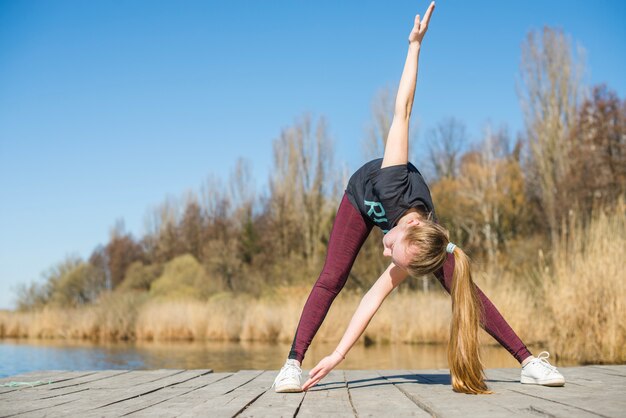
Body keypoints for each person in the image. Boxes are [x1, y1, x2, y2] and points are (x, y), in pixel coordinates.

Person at [272, 1, 565, 395]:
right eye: (393, 250)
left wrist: (339, 354)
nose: (384, 254)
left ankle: (529, 361)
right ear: (408, 226)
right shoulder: (393, 181)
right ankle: (291, 363)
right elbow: (403, 110)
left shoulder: (425, 247)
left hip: (411, 231)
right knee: (332, 277)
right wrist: (415, 46)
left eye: (393, 257)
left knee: (462, 286)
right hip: (363, 196)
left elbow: (374, 297)